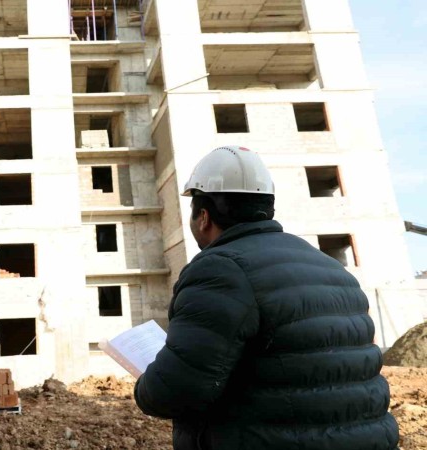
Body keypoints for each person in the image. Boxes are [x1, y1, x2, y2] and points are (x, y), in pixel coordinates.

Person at [134, 146, 399, 450]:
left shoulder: (220, 269)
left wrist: (147, 382)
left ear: (203, 217)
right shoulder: (331, 268)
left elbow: (174, 392)